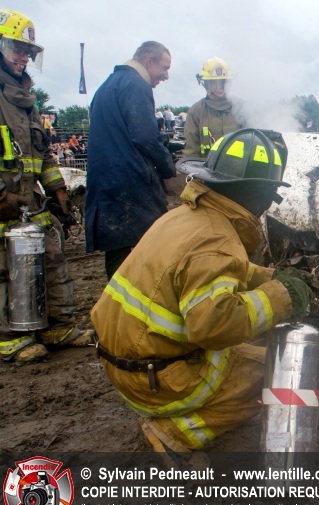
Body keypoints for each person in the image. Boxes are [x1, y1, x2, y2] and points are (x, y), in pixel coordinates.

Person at [91, 128, 313, 452]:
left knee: (249, 351)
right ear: (259, 194)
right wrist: (283, 296)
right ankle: (176, 433)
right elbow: (215, 325)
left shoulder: (184, 218)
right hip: (156, 382)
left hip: (125, 364)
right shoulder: (218, 240)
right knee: (279, 373)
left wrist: (271, 277)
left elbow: (211, 271)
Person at [0, 10, 93, 363]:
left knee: (52, 260)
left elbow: (43, 156)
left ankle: (58, 327)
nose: (24, 57)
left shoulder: (27, 101)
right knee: (5, 272)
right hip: (3, 204)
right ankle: (11, 340)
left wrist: (59, 193)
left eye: (28, 51)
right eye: (17, 49)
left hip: (29, 202)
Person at [84, 41, 176, 279]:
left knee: (118, 254)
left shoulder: (106, 86)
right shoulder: (135, 85)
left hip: (107, 185)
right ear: (149, 61)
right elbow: (145, 136)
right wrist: (168, 167)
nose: (166, 76)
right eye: (164, 68)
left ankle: (115, 300)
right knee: (155, 244)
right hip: (131, 184)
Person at [183, 57, 244, 158]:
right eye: (213, 83)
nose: (219, 87)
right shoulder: (196, 111)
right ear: (206, 84)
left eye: (223, 82)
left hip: (238, 167)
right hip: (205, 167)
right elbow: (191, 151)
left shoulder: (241, 108)